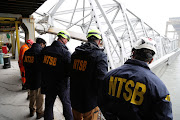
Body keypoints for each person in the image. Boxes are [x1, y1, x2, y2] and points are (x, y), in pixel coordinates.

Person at [100, 37, 173, 120]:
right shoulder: (159, 87)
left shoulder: (109, 76)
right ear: (151, 60)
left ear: (133, 53)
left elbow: (101, 101)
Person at [70, 29, 108, 120]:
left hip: (75, 98)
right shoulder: (100, 56)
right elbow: (101, 80)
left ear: (87, 39)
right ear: (99, 41)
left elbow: (70, 72)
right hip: (90, 101)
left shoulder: (75, 54)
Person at [41, 30, 73, 120]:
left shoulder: (45, 50)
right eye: (67, 39)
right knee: (66, 104)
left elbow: (41, 65)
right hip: (62, 84)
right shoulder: (66, 53)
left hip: (49, 83)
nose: (66, 42)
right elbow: (70, 71)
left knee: (49, 105)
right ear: (63, 39)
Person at [23, 38, 46, 119]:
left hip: (29, 77)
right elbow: (43, 66)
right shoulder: (41, 52)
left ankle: (31, 110)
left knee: (32, 94)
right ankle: (39, 112)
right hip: (39, 78)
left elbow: (24, 63)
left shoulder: (27, 52)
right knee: (40, 95)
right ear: (42, 44)